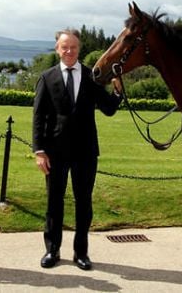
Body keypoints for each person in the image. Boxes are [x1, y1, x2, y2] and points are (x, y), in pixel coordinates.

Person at [32, 28, 123, 271]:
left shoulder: (91, 76)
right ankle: (52, 250)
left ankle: (81, 253)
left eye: (73, 47)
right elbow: (39, 117)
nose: (69, 51)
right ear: (57, 49)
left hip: (85, 152)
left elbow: (109, 108)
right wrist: (39, 151)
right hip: (55, 152)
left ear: (78, 49)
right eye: (65, 47)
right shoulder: (47, 77)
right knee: (54, 202)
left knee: (84, 203)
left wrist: (118, 91)